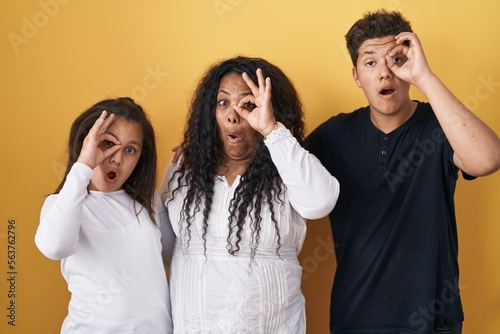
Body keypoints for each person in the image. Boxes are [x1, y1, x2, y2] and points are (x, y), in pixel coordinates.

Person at [306, 9, 500, 334]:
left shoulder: (441, 126)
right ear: (356, 75)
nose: (385, 74)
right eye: (370, 63)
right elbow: (277, 180)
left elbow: (487, 158)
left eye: (395, 60)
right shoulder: (333, 136)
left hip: (435, 320)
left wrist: (424, 77)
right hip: (355, 320)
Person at [159, 56, 340, 333]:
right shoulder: (184, 168)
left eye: (247, 104)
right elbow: (162, 247)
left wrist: (271, 130)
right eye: (223, 103)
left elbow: (320, 203)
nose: (233, 115)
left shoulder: (289, 166)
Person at [35, 97, 175, 333]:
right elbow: (54, 248)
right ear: (86, 143)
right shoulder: (63, 204)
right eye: (108, 143)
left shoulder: (147, 201)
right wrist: (83, 166)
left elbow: (175, 254)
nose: (117, 158)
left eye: (130, 150)